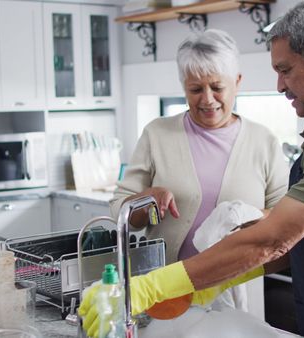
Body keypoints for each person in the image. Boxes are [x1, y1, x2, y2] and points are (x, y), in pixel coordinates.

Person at [80, 2, 304, 338]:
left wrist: (147, 288)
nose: (280, 85)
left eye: (285, 70)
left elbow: (275, 237)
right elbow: (293, 240)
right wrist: (213, 280)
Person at [107, 29, 288, 311]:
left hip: (237, 293)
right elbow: (120, 211)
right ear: (183, 87)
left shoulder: (263, 141)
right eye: (195, 89)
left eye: (217, 87)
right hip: (167, 293)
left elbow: (285, 219)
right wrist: (145, 202)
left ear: (237, 82)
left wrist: (245, 217)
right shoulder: (157, 135)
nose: (207, 99)